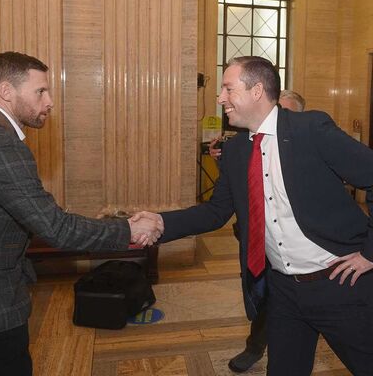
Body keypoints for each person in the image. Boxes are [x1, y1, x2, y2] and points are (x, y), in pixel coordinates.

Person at [133, 56, 373, 375]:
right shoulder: (236, 152)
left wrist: (371, 253)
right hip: (283, 291)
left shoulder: (310, 129)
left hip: (339, 283)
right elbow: (216, 211)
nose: (220, 98)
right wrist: (161, 222)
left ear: (257, 90)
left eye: (228, 88)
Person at [0, 51, 163, 376]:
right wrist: (127, 231)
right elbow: (55, 227)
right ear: (6, 91)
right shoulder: (0, 146)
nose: (49, 102)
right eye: (40, 91)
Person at [206, 89, 306, 373]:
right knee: (262, 295)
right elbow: (232, 192)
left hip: (301, 256)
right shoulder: (246, 144)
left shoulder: (308, 147)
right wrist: (220, 160)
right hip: (255, 238)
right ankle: (254, 347)